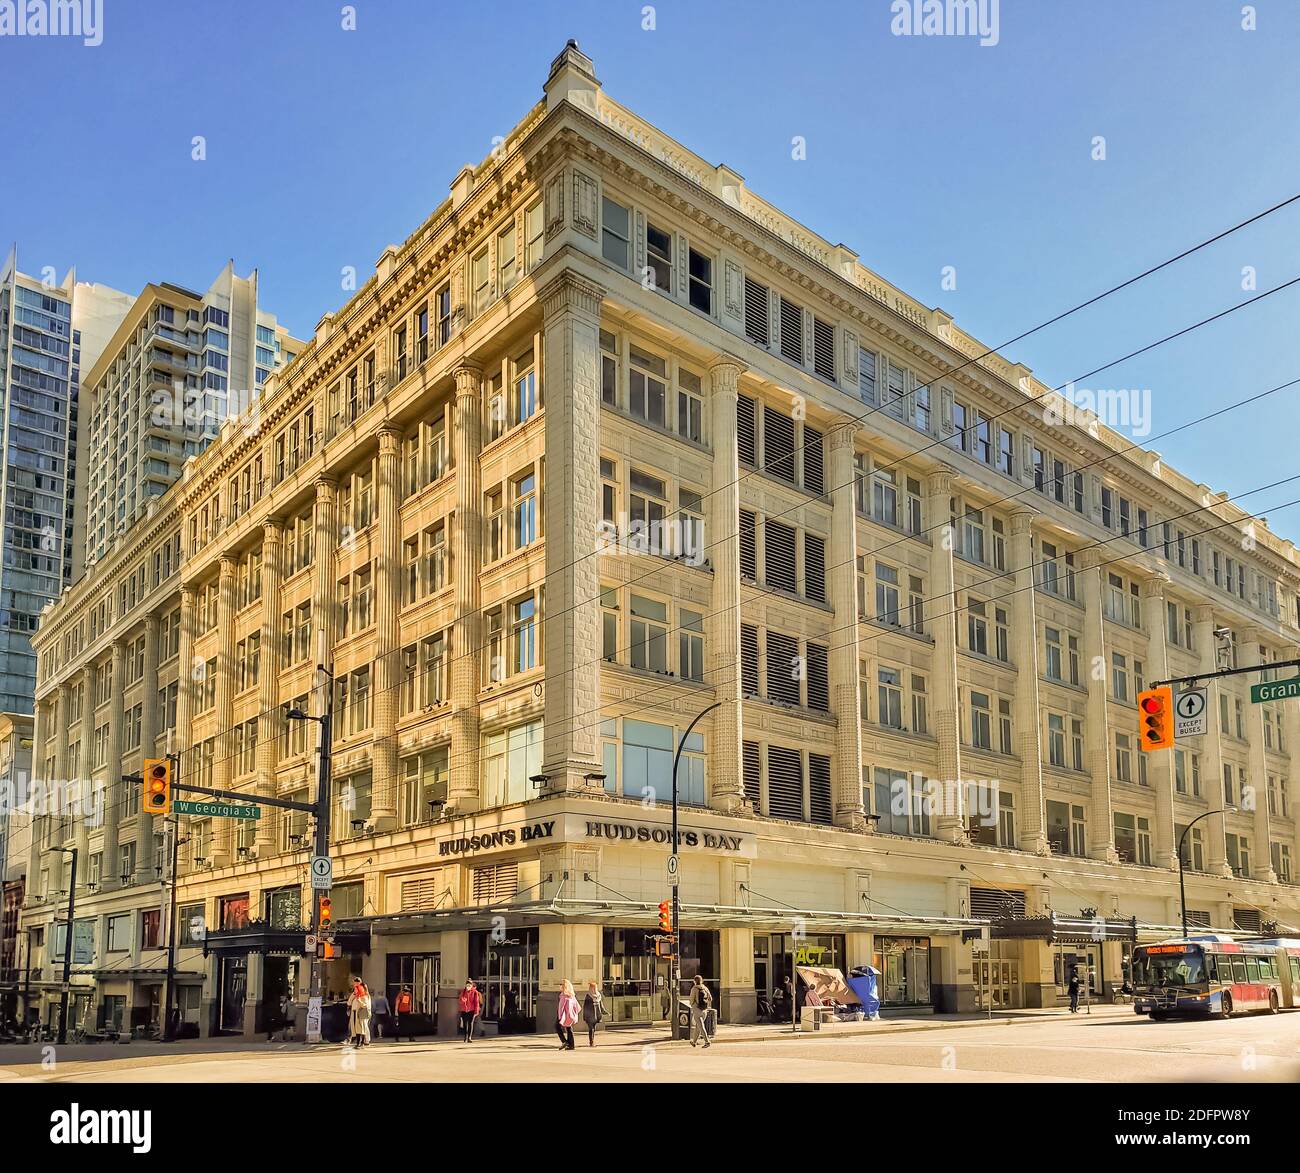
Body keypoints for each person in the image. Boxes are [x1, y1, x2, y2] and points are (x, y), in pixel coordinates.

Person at [688, 974, 713, 1048]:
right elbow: (710, 998)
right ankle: (694, 1042)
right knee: (698, 1026)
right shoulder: (705, 988)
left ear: (694, 981)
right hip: (704, 1010)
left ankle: (707, 1041)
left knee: (701, 1026)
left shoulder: (694, 989)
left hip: (697, 1010)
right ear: (702, 980)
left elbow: (691, 1000)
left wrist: (692, 1005)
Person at [347, 978, 373, 1046]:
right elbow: (350, 1001)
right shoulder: (358, 995)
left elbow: (365, 1005)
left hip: (362, 1012)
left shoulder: (364, 996)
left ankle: (364, 1041)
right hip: (358, 1011)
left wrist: (359, 1000)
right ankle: (360, 1041)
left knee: (363, 1026)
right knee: (359, 1027)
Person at [556, 980, 580, 1050]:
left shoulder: (563, 995)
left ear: (564, 986)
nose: (559, 986)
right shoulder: (572, 995)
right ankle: (571, 1045)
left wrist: (560, 1017)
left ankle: (564, 1041)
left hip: (563, 1015)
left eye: (561, 984)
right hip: (570, 1015)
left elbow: (561, 1007)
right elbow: (577, 1006)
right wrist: (575, 1015)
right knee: (569, 1028)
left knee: (557, 1026)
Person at [581, 980, 604, 1047]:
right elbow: (585, 1006)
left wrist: (604, 1011)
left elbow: (601, 1005)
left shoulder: (598, 995)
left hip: (596, 1014)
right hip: (590, 1015)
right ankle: (591, 1042)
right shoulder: (588, 995)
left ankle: (592, 1040)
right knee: (591, 1028)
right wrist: (585, 1016)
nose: (592, 989)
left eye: (593, 987)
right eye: (591, 987)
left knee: (594, 1028)